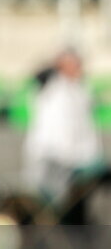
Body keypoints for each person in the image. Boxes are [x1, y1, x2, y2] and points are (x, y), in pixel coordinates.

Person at [23, 49, 105, 224]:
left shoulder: (80, 91)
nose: (78, 69)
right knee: (54, 207)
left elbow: (85, 133)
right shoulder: (51, 88)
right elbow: (38, 78)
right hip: (51, 162)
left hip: (75, 165)